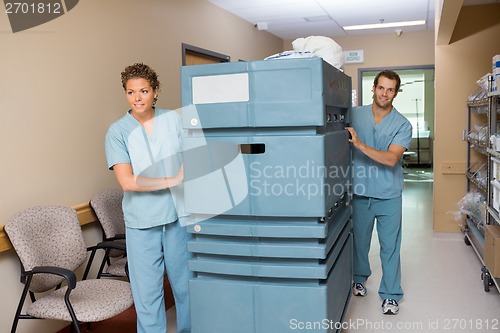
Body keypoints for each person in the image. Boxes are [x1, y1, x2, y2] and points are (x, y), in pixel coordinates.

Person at [105, 62, 192, 332]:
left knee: (187, 286)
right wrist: (174, 179)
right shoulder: (117, 131)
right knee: (148, 293)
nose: (138, 97)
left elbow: (196, 157)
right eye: (131, 92)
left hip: (178, 216)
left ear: (155, 91)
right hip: (142, 222)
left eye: (144, 91)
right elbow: (127, 182)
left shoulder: (175, 120)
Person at [345, 69, 412, 315]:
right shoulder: (354, 115)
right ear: (373, 88)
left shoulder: (403, 124)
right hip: (359, 192)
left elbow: (392, 158)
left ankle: (391, 294)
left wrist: (361, 145)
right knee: (359, 243)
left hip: (388, 195)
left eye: (390, 89)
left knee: (390, 246)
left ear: (396, 93)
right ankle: (359, 279)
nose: (385, 93)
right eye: (381, 87)